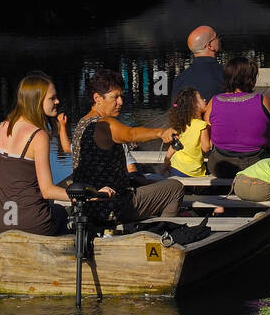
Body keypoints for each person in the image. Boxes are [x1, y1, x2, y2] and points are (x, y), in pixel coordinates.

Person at [71, 68, 197, 224]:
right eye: (115, 97)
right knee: (175, 187)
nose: (120, 102)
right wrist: (160, 133)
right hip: (111, 207)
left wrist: (133, 179)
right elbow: (130, 134)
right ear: (97, 98)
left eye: (121, 96)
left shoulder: (81, 124)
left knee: (146, 181)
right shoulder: (104, 124)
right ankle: (164, 233)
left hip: (88, 207)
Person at [0, 72, 82, 236]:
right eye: (52, 98)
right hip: (32, 222)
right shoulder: (38, 136)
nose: (57, 101)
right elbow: (47, 191)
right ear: (36, 101)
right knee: (63, 213)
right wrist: (83, 197)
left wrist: (15, 199)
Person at [204, 55, 270, 178]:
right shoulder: (263, 100)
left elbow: (208, 130)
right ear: (251, 79)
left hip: (220, 165)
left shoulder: (213, 102)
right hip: (256, 164)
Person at [171, 26, 226, 103]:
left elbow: (176, 109)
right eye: (217, 37)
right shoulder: (226, 74)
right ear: (210, 46)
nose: (219, 39)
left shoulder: (179, 80)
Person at [168, 88, 212, 178]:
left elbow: (175, 144)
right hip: (192, 171)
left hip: (176, 167)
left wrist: (167, 159)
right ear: (194, 105)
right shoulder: (202, 126)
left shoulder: (182, 123)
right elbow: (206, 148)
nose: (205, 100)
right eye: (201, 98)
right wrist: (213, 138)